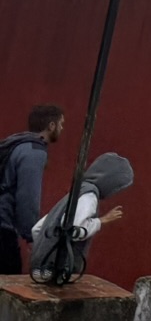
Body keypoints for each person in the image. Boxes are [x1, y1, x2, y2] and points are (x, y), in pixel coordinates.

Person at [29, 152, 131, 284]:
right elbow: (75, 230)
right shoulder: (89, 195)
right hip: (58, 268)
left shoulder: (77, 191)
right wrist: (102, 221)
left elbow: (37, 229)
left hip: (40, 264)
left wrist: (43, 249)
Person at [0, 104, 64, 274]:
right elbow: (28, 197)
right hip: (3, 228)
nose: (61, 128)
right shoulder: (34, 152)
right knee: (9, 283)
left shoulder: (16, 143)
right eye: (61, 124)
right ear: (51, 126)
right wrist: (31, 235)